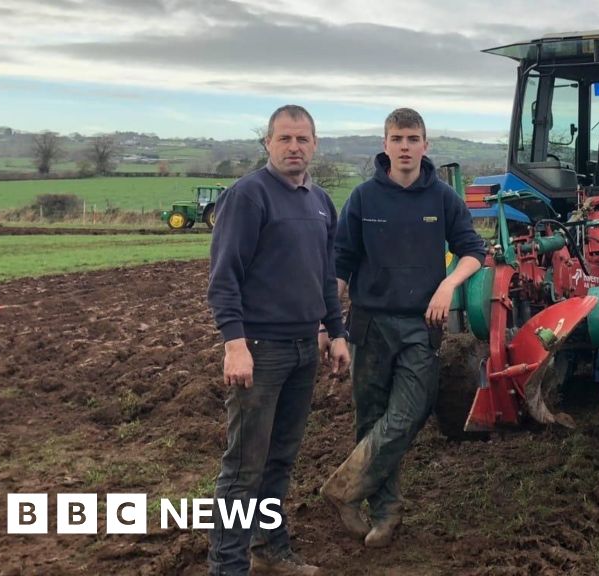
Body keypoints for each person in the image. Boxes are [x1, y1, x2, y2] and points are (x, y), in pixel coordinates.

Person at [321, 108, 487, 548]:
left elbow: (473, 250)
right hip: (369, 323)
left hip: (421, 322)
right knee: (371, 417)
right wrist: (327, 321)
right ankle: (385, 511)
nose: (405, 146)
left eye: (413, 138)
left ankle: (345, 489)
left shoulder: (442, 198)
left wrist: (449, 285)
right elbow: (341, 263)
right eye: (397, 138)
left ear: (425, 145)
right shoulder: (362, 198)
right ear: (385, 144)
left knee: (411, 410)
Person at [206, 104, 350, 576]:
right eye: (284, 138)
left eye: (302, 139)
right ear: (267, 143)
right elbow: (224, 278)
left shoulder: (321, 201)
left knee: (280, 459)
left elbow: (325, 276)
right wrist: (234, 343)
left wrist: (336, 331)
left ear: (315, 145)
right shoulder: (248, 197)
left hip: (305, 349)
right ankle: (228, 566)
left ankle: (269, 549)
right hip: (261, 351)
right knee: (243, 467)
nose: (294, 147)